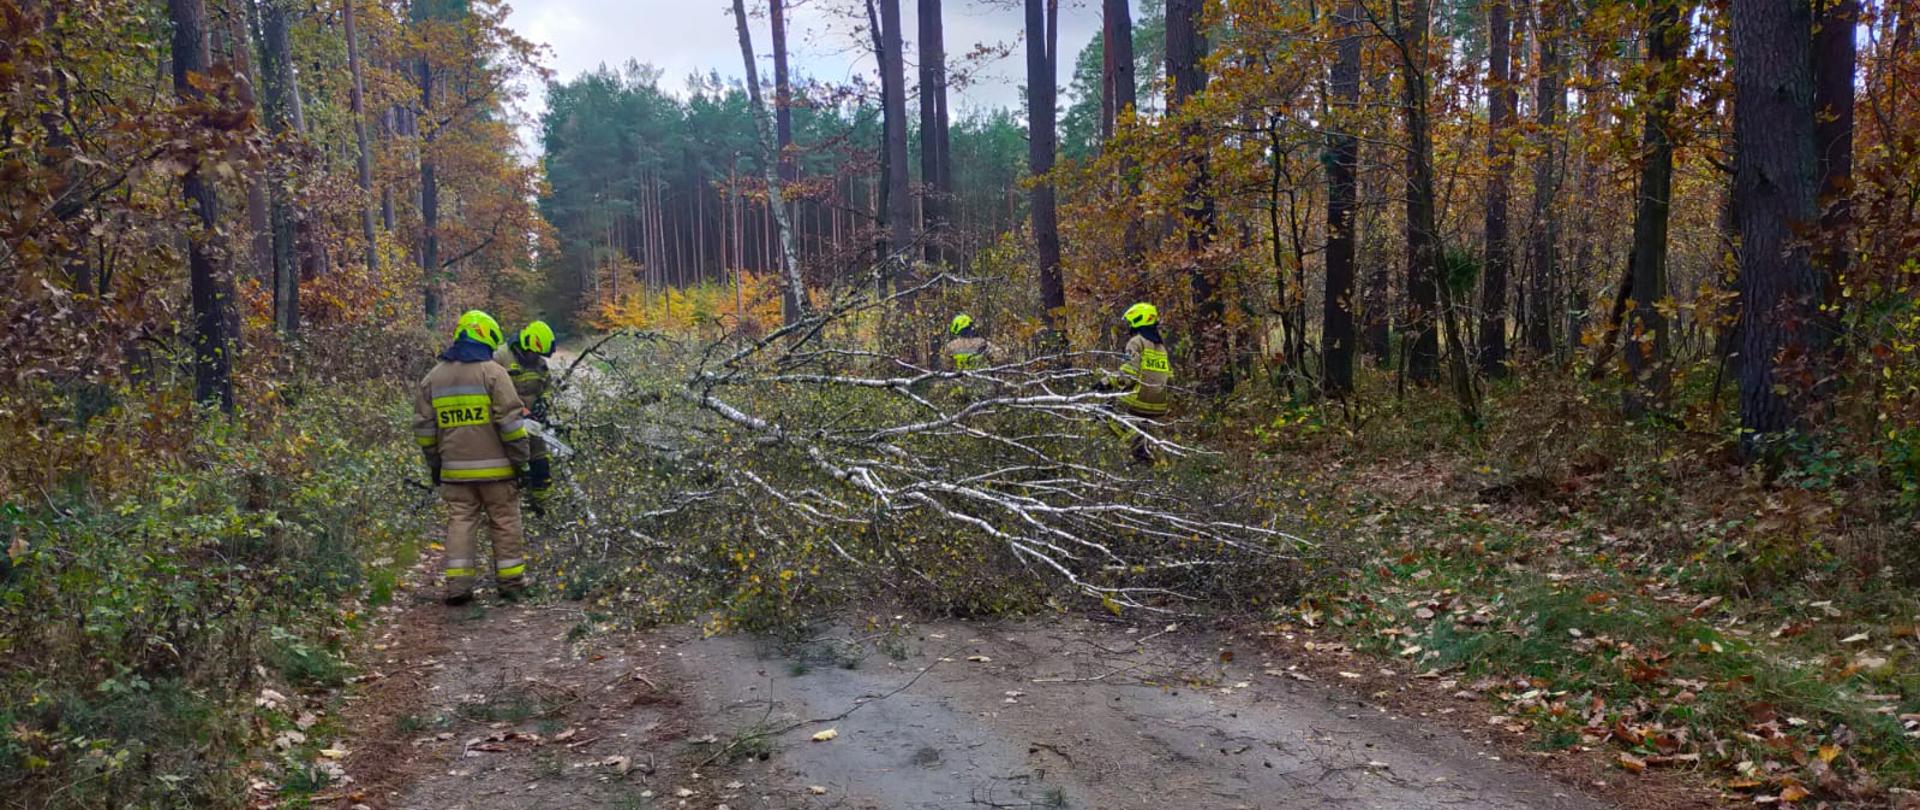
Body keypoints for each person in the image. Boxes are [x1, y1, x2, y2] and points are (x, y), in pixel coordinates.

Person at [413, 310, 531, 604]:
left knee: (460, 523)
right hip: (498, 472)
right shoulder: (494, 373)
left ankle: (459, 588)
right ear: (485, 338)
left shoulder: (432, 378)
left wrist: (436, 466)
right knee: (504, 521)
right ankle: (511, 584)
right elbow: (511, 424)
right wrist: (521, 461)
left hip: (455, 472)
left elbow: (425, 431)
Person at [499, 320, 556, 514]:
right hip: (506, 422)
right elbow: (491, 390)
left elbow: (548, 387)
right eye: (534, 352)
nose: (536, 357)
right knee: (512, 464)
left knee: (540, 460)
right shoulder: (501, 357)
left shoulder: (540, 364)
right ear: (527, 344)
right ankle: (509, 508)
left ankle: (541, 507)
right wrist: (518, 410)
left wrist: (544, 402)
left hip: (532, 424)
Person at [1108, 302, 1172, 465]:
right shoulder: (1161, 346)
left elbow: (1129, 371)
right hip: (1159, 402)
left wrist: (1106, 382)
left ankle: (1137, 448)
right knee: (1141, 424)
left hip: (1138, 400)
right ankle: (1144, 453)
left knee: (1105, 414)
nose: (1128, 325)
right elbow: (1168, 375)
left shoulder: (1136, 342)